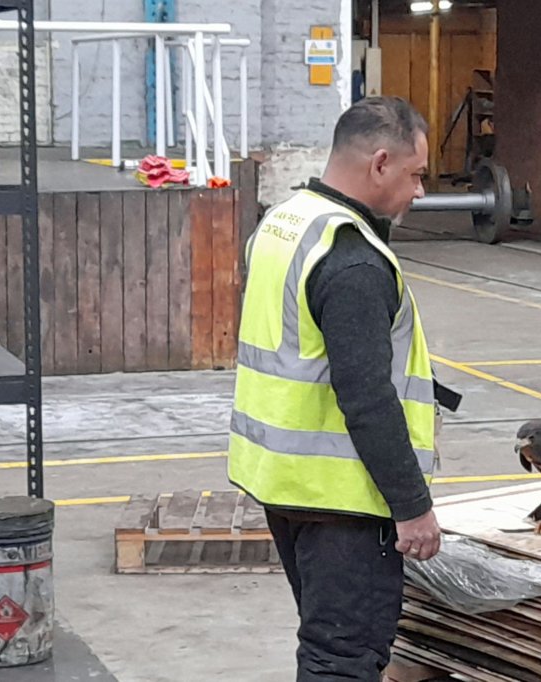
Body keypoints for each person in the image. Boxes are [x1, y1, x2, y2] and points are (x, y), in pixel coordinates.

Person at [227, 96, 459, 681]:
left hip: (284, 483)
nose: (420, 191)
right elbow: (367, 398)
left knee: (326, 643)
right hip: (346, 500)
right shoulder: (351, 258)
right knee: (343, 661)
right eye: (416, 174)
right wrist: (412, 508)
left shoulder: (285, 222)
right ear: (380, 163)